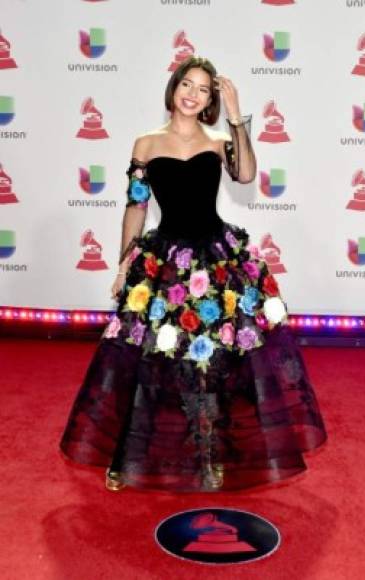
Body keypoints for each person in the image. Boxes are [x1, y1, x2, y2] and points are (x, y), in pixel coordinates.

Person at [60, 56, 327, 493]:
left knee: (216, 363)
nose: (193, 93)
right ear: (174, 88)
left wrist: (238, 117)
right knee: (145, 359)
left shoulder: (219, 139)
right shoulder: (146, 144)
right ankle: (126, 455)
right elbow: (136, 205)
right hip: (164, 259)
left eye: (204, 89)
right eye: (188, 84)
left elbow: (245, 174)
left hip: (217, 260)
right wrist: (124, 261)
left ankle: (212, 454)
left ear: (210, 100)